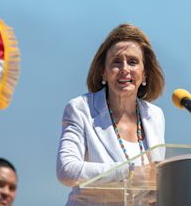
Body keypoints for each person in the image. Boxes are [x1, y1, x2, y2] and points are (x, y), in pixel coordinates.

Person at [56, 24, 165, 205]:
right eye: (116, 62)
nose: (124, 69)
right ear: (103, 72)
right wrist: (130, 173)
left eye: (132, 62)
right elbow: (66, 170)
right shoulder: (80, 108)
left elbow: (152, 181)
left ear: (145, 74)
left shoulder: (155, 115)